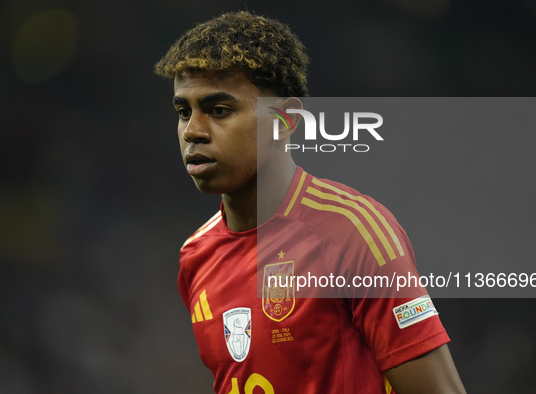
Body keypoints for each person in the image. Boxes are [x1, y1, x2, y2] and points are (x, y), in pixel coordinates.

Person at [155, 11, 466, 394]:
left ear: (285, 121)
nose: (193, 131)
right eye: (183, 112)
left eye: (219, 110)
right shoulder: (195, 257)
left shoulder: (353, 231)